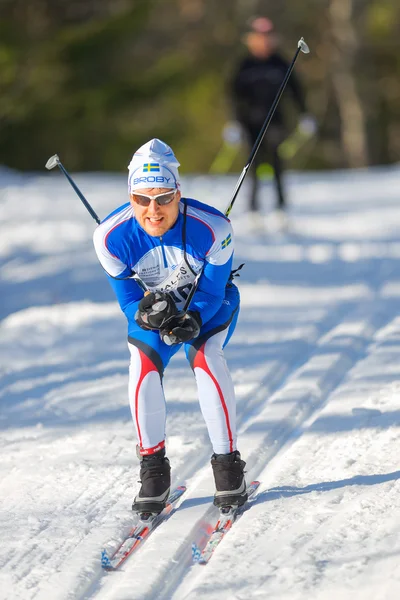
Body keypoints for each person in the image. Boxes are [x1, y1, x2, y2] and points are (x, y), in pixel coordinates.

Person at [93, 138, 246, 515]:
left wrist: (193, 318)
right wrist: (146, 315)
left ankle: (229, 468)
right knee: (142, 363)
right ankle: (153, 470)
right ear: (130, 198)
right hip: (160, 313)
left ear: (179, 194)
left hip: (209, 306)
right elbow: (128, 302)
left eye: (163, 198)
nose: (153, 210)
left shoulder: (212, 227)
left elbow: (212, 291)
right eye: (142, 199)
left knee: (206, 357)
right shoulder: (110, 237)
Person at [229, 16, 316, 217]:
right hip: (250, 122)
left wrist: (305, 115)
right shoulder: (244, 65)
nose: (264, 41)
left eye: (268, 37)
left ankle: (281, 208)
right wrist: (233, 122)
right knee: (253, 164)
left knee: (277, 162)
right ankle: (253, 209)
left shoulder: (281, 63)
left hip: (276, 121)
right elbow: (233, 96)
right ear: (250, 39)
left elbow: (296, 91)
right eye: (259, 37)